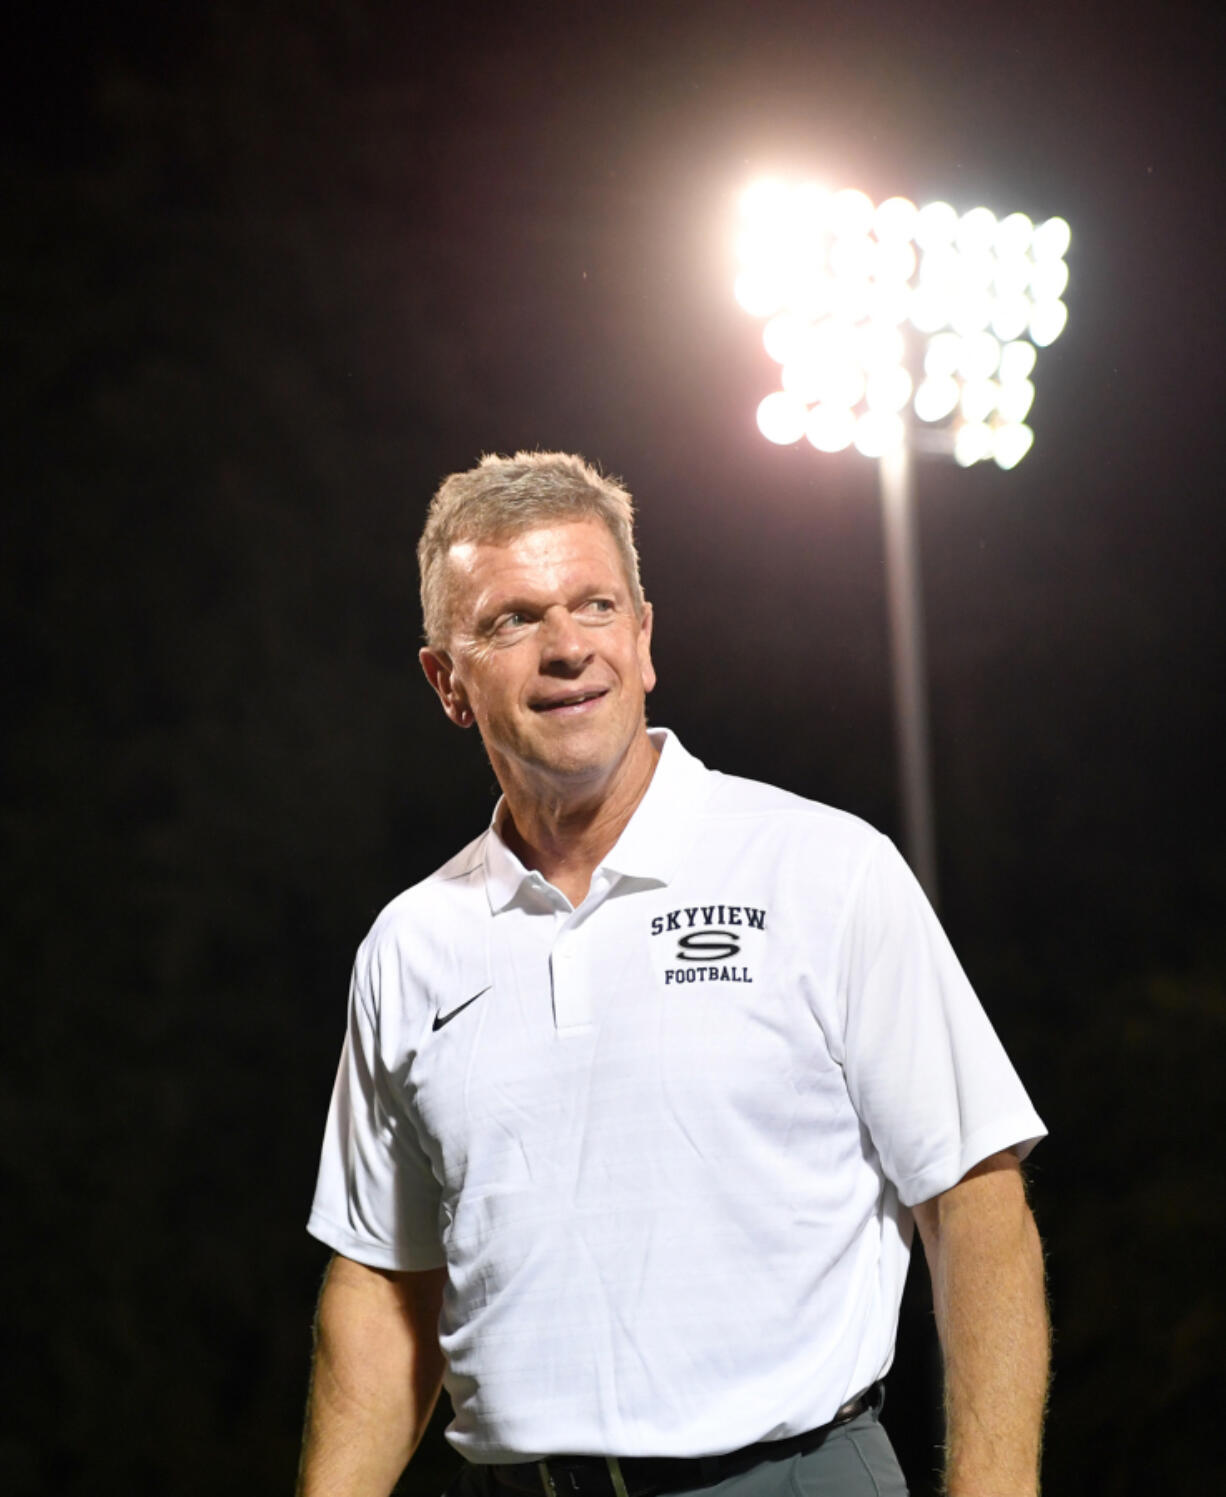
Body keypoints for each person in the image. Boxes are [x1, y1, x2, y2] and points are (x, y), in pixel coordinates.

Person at [298, 451, 1049, 1497]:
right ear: (446, 683)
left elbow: (973, 1202)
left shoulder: (821, 870)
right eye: (512, 620)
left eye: (595, 605)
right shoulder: (410, 945)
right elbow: (384, 1285)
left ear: (644, 640)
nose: (566, 648)